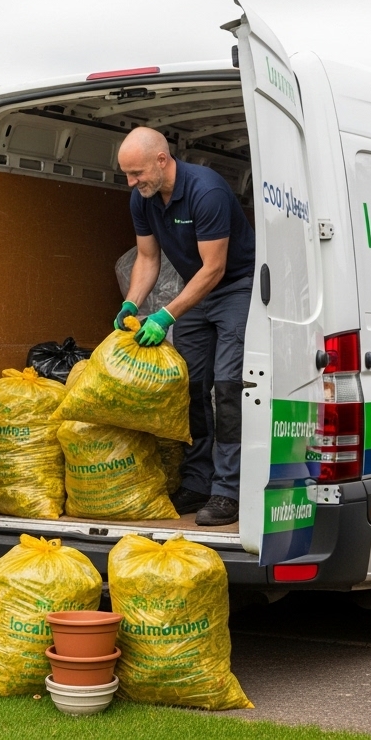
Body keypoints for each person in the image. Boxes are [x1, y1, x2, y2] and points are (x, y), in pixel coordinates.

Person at [115, 127, 255, 527]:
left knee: (227, 388)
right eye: (127, 174)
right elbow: (147, 258)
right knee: (190, 387)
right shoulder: (141, 199)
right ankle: (198, 481)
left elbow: (215, 268)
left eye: (137, 172)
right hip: (195, 290)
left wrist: (165, 315)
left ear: (162, 160)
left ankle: (228, 491)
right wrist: (132, 302)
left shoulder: (205, 191)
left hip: (234, 288)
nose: (131, 182)